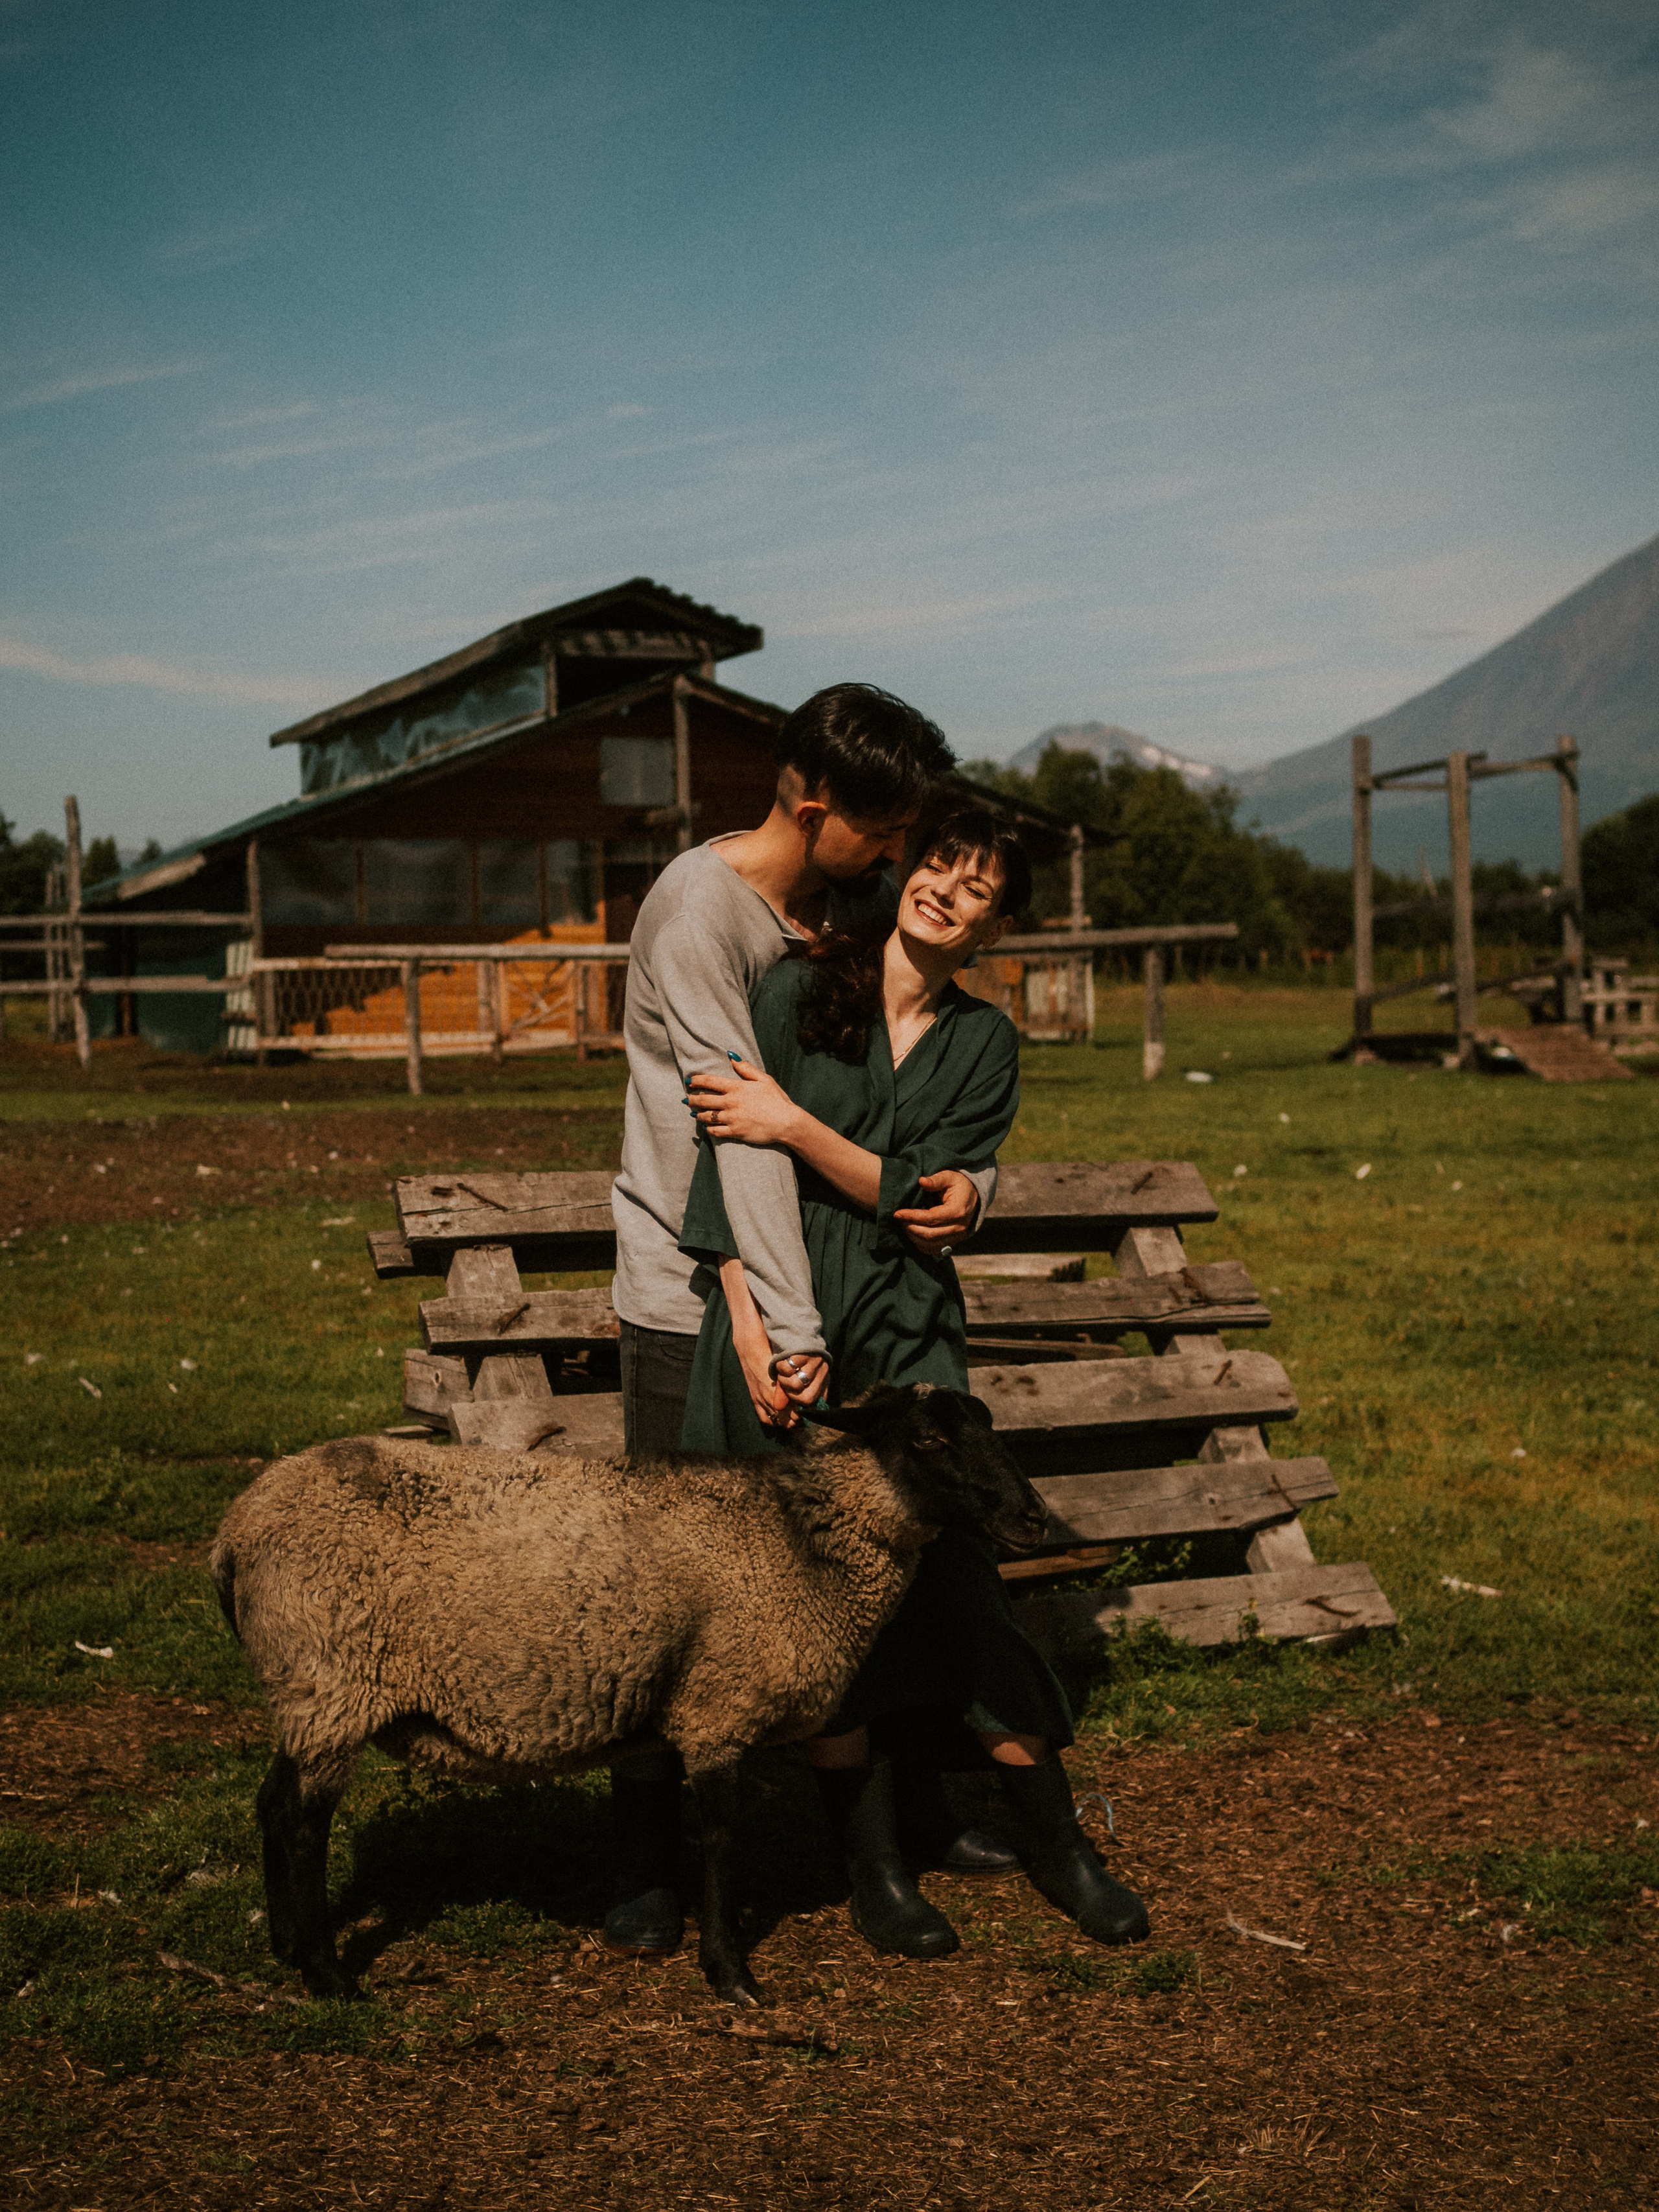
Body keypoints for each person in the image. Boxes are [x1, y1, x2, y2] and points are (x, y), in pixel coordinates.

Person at [682, 811, 1150, 1960]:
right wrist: (748, 1329)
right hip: (783, 1324)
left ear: (997, 924)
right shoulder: (795, 993)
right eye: (940, 864)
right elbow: (726, 1178)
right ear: (903, 871)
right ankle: (876, 1868)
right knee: (816, 1598)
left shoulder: (983, 1043)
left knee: (962, 1589)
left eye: (980, 887)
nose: (950, 890)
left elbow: (916, 1196)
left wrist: (793, 1122)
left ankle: (1062, 1849)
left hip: (907, 1333)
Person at [605, 684, 1009, 1957]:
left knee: (855, 1570)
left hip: (818, 1302)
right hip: (694, 1296)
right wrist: (761, 1314)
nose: (898, 859)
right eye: (886, 829)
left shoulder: (829, 909)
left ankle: (895, 1826)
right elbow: (730, 1134)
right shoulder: (696, 917)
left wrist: (974, 1191)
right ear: (812, 801)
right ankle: (643, 1857)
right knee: (662, 1586)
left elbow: (881, 1090)